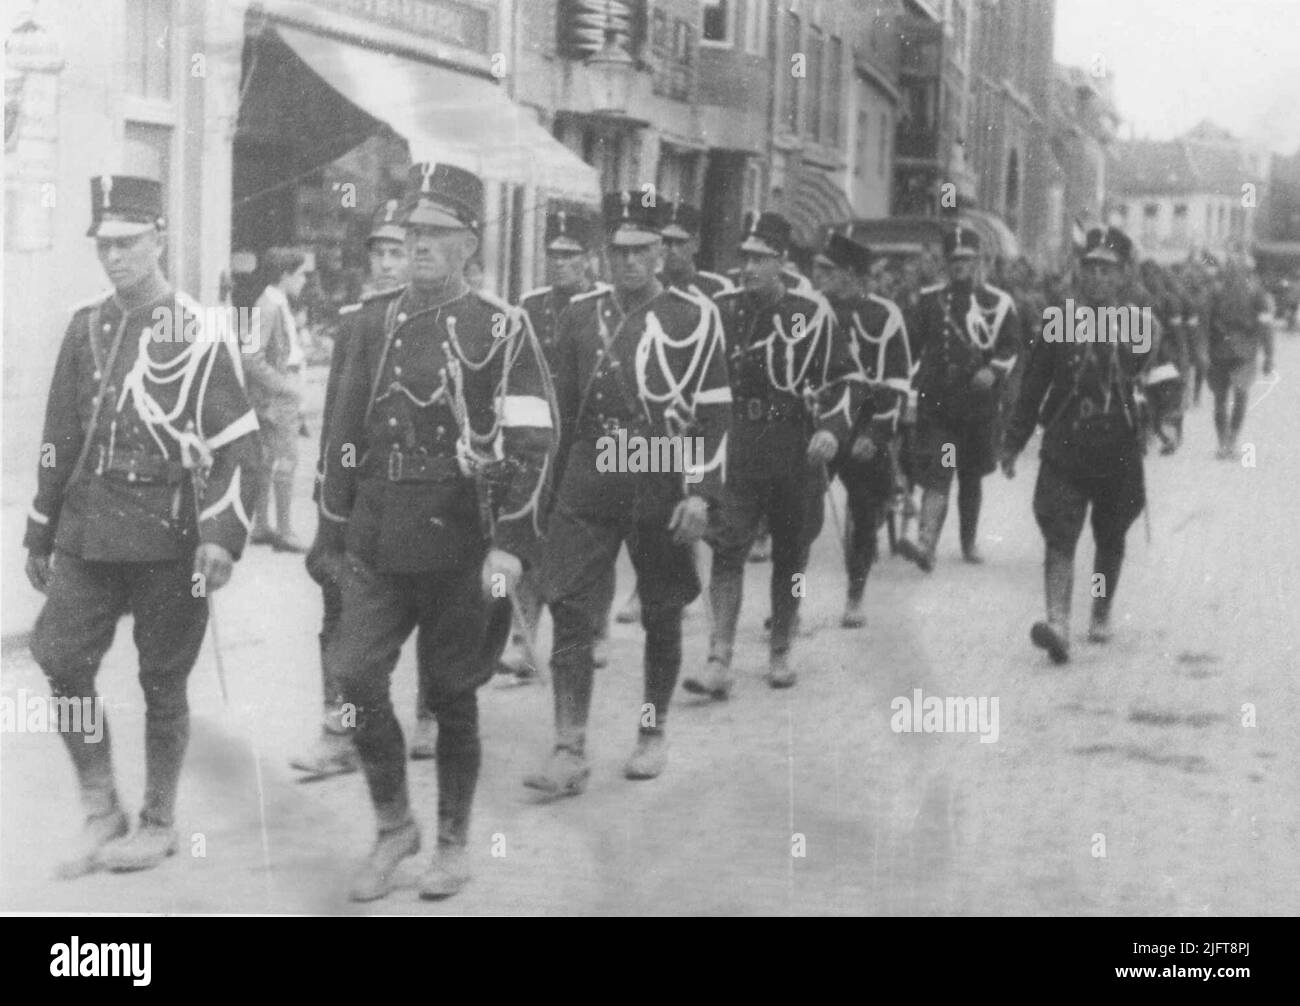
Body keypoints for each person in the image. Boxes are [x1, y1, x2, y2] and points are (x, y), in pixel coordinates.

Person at [319, 162, 555, 901]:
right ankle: (395, 825)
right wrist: (330, 534)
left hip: (461, 542)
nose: (420, 245)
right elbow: (340, 434)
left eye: (436, 234)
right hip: (376, 539)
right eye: (413, 232)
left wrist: (512, 543)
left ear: (468, 244)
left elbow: (534, 441)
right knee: (354, 678)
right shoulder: (367, 324)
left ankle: (452, 841)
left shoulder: (501, 328)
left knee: (452, 694)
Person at [24, 175, 261, 875]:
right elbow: (58, 435)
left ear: (158, 238)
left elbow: (237, 445)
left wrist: (220, 535)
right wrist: (40, 526)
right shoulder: (85, 325)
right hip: (90, 531)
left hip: (168, 538)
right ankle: (102, 807)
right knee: (59, 657)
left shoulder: (197, 332)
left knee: (162, 681)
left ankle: (157, 820)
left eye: (128, 243)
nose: (115, 258)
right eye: (105, 246)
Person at [522, 191, 730, 797]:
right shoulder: (581, 315)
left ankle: (651, 730)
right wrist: (539, 485)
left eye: (641, 250)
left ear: (662, 252)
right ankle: (569, 745)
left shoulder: (694, 316)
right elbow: (557, 408)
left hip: (657, 468)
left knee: (662, 611)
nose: (629, 262)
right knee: (569, 605)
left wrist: (701, 492)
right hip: (590, 473)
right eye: (619, 250)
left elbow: (715, 416)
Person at [682, 211, 863, 698]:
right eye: (746, 256)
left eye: (761, 258)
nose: (749, 267)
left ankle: (781, 646)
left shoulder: (811, 312)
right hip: (736, 443)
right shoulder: (721, 308)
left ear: (782, 263)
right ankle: (719, 656)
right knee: (727, 548)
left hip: (792, 446)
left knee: (792, 555)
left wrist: (830, 429)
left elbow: (847, 381)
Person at [293, 199, 416, 780]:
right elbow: (338, 423)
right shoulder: (356, 321)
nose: (388, 264)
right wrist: (328, 511)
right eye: (381, 253)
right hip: (363, 497)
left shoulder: (439, 319)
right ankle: (337, 730)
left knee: (437, 608)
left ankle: (437, 714)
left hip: (423, 499)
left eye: (399, 252)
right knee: (339, 609)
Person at [999, 226, 1158, 663]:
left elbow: (1160, 376)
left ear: (1123, 275)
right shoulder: (1057, 319)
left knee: (1109, 537)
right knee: (1060, 532)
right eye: (1090, 268)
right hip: (1067, 442)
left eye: (1107, 270)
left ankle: (1101, 609)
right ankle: (1057, 623)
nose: (1096, 277)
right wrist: (1013, 442)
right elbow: (1033, 384)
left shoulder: (1139, 323)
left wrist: (1166, 422)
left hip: (1118, 446)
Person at [501, 207, 610, 683]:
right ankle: (522, 639)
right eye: (553, 255)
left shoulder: (605, 306)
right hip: (541, 437)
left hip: (590, 439)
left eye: (570, 256)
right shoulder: (530, 304)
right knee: (531, 533)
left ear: (590, 259)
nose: (560, 263)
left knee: (591, 537)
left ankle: (597, 628)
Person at [896, 225, 1018, 571]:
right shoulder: (931, 300)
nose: (960, 266)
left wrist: (993, 370)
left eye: (966, 260)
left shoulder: (998, 302)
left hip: (977, 406)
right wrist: (906, 381)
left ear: (978, 261)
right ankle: (925, 543)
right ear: (946, 264)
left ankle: (968, 541)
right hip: (940, 404)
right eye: (954, 260)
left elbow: (1011, 345)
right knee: (940, 470)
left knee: (970, 475)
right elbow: (912, 345)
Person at [815, 234, 912, 628]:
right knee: (799, 516)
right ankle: (789, 603)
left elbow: (896, 382)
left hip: (864, 428)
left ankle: (855, 596)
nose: (820, 278)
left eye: (830, 271)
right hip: (821, 425)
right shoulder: (812, 311)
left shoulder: (884, 315)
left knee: (864, 509)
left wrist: (875, 434)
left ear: (851, 275)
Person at [246, 246, 310, 553]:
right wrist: (284, 386)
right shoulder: (270, 306)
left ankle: (261, 527)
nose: (305, 281)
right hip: (278, 399)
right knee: (286, 461)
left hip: (274, 397)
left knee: (267, 461)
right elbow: (252, 357)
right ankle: (283, 531)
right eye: (301, 275)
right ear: (285, 276)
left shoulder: (275, 302)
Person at [1206, 258, 1274, 459]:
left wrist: (1204, 350)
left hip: (1220, 351)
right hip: (1244, 352)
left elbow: (1205, 323)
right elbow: (1265, 326)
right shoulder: (1257, 293)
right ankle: (1230, 442)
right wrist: (1269, 355)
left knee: (1221, 399)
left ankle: (1223, 443)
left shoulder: (1216, 292)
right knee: (1240, 396)